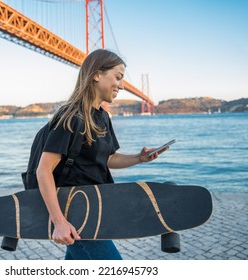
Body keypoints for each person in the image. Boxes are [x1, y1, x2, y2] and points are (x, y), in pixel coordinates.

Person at [36, 49, 168, 260]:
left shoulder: (102, 117)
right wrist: (59, 222)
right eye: (118, 77)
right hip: (75, 210)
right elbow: (43, 171)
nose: (122, 86)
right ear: (97, 74)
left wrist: (139, 158)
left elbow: (107, 159)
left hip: (96, 208)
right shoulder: (71, 115)